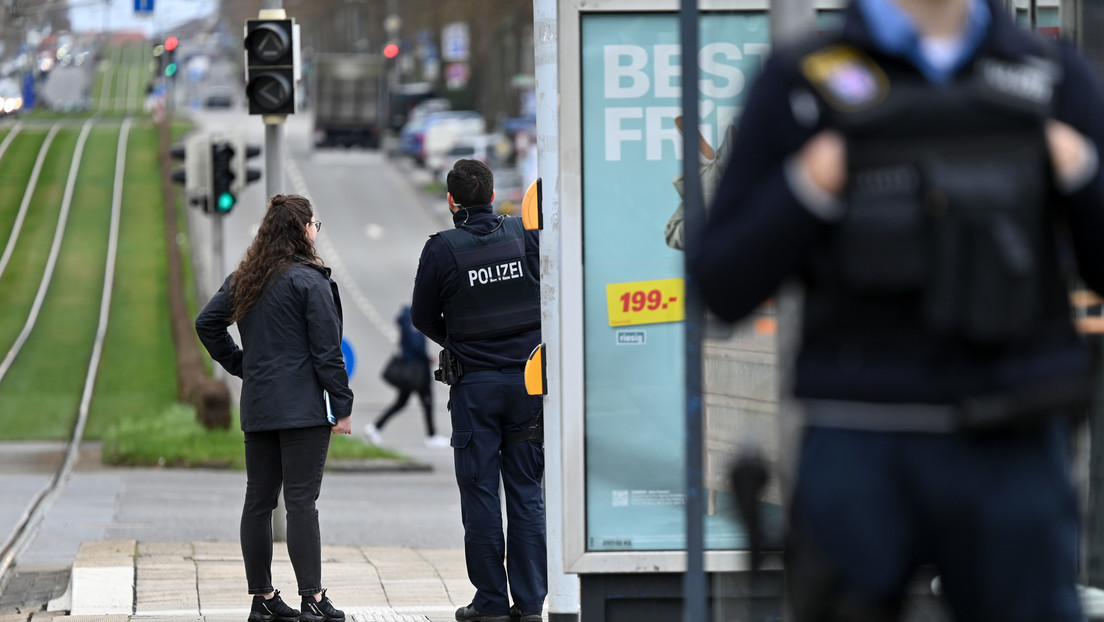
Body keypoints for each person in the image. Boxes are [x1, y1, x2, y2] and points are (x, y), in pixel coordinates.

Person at [690, 0, 1104, 619]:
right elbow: (721, 283)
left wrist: (1077, 168)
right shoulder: (804, 80)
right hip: (862, 441)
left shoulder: (1049, 76)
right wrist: (813, 183)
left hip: (1010, 438)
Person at [195, 194, 353, 622]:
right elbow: (327, 353)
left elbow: (207, 323)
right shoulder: (309, 281)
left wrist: (243, 365)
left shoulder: (246, 278)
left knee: (258, 501)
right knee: (302, 502)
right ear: (303, 230)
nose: (316, 229)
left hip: (261, 406)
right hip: (302, 409)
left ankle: (263, 598)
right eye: (314, 224)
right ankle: (312, 599)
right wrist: (343, 406)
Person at [410, 159, 546, 622]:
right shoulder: (522, 234)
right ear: (491, 195)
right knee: (527, 492)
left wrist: (460, 341)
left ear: (452, 201)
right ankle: (530, 605)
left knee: (481, 492)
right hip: (529, 383)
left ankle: (489, 602)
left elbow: (422, 317)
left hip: (475, 390)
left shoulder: (442, 250)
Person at [365, 305, 450, 448]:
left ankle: (375, 427)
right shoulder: (413, 317)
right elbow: (416, 343)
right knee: (427, 401)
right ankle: (432, 436)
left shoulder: (406, 316)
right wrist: (426, 358)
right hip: (417, 369)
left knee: (402, 402)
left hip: (411, 367)